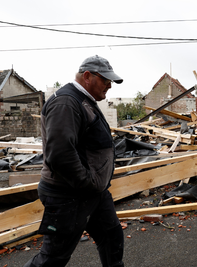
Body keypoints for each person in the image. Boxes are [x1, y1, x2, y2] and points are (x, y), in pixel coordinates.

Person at [24, 55, 124, 267]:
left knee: (111, 236)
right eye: (106, 80)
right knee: (53, 258)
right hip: (69, 194)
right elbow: (60, 154)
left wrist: (95, 185)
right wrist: (88, 182)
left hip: (92, 193)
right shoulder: (66, 102)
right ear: (87, 76)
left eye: (111, 81)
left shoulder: (84, 100)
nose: (109, 86)